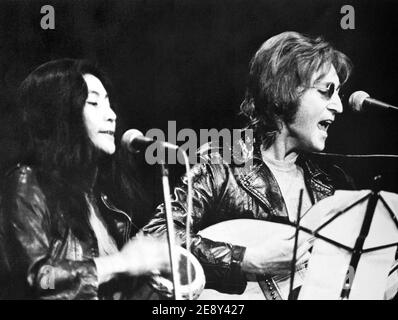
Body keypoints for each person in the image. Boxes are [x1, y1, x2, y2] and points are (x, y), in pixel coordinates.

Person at [142, 31, 358, 297]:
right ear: (285, 89)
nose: (339, 106)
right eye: (327, 91)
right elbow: (154, 237)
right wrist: (246, 260)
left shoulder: (333, 184)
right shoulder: (222, 164)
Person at [0, 59, 171, 299]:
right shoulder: (27, 183)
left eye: (109, 104)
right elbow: (38, 280)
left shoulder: (101, 197)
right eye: (94, 103)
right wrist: (120, 263)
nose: (111, 115)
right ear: (61, 115)